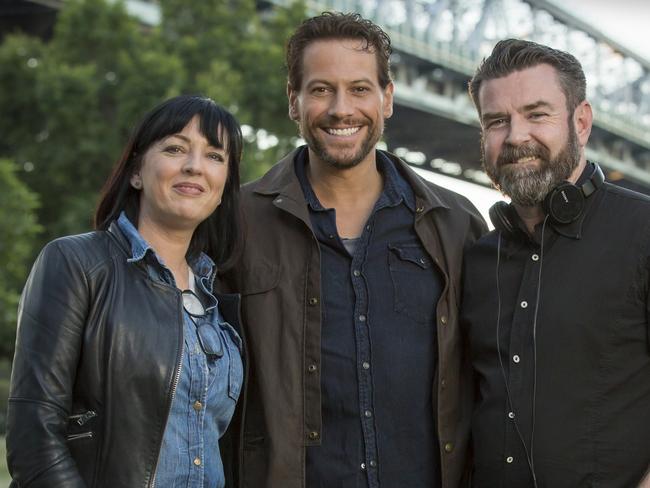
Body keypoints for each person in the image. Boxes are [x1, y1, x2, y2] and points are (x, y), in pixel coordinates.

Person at [221, 12, 486, 488]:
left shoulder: (457, 223)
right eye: (321, 89)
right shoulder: (237, 223)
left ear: (387, 98)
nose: (342, 109)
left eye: (360, 89)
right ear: (293, 102)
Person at [6, 95, 245, 487]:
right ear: (136, 171)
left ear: (223, 189)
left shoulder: (218, 296)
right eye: (175, 148)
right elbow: (34, 438)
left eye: (215, 156)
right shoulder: (77, 263)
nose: (194, 166)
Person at [462, 39, 650, 487]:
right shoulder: (475, 260)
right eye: (497, 121)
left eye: (537, 114)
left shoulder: (643, 232)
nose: (516, 136)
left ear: (580, 122)